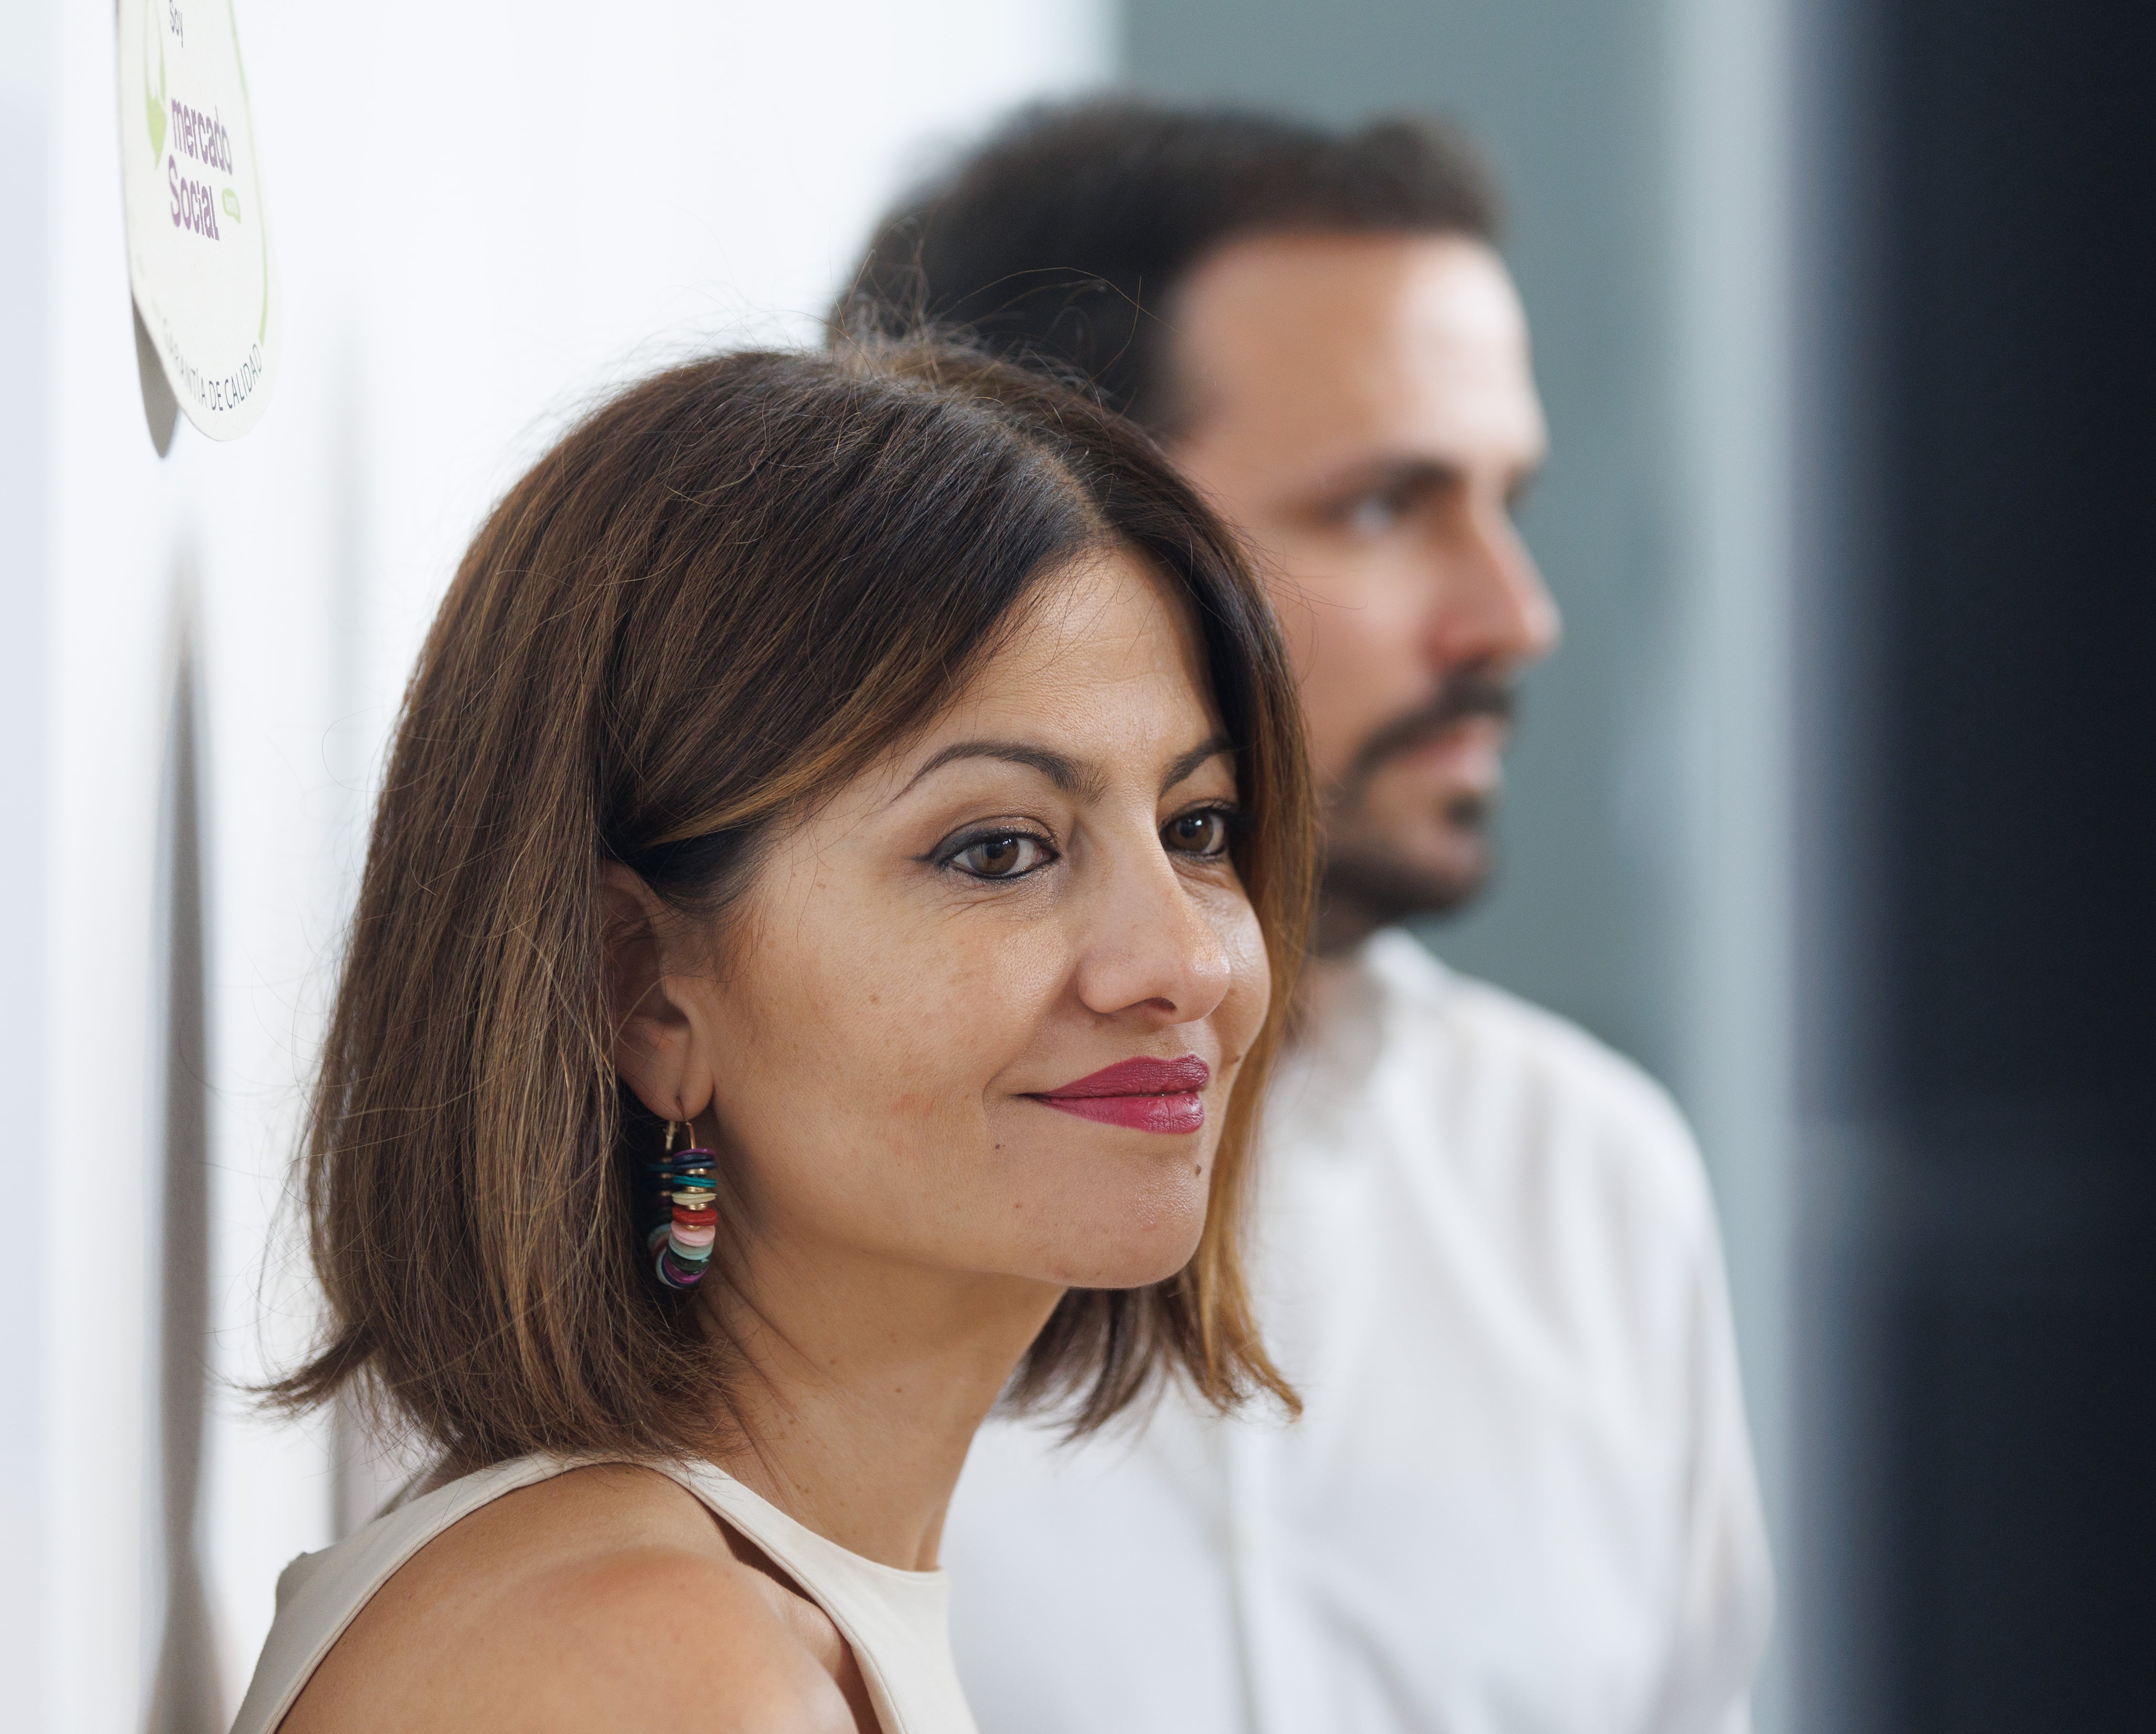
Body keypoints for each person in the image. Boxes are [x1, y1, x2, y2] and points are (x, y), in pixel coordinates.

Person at [840, 101, 1773, 1734]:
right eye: (1383, 506)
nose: (1516, 615)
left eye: (1507, 500)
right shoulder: (759, 1228)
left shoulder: (1595, 1184)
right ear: (1031, 534)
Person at [229, 339, 1316, 1734]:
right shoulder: (648, 1667)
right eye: (998, 851)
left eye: (1197, 829)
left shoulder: (713, 1611)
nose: (1182, 962)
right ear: (644, 992)